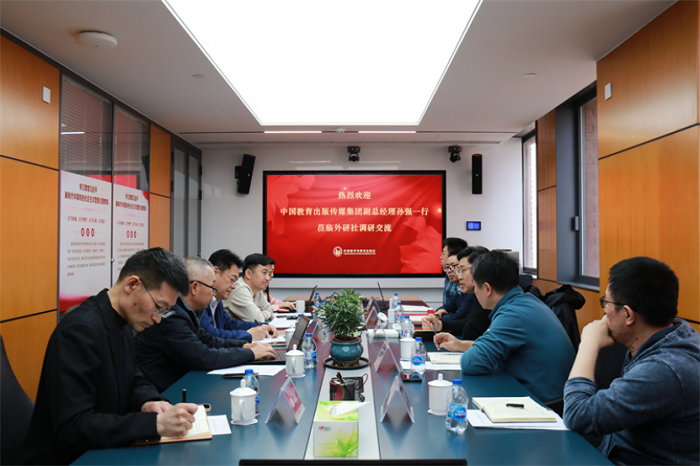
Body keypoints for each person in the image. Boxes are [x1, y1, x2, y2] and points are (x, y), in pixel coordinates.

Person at [23, 248, 199, 465]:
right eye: (159, 307)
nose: (158, 319)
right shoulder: (80, 331)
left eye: (165, 311)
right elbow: (73, 427)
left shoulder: (121, 322)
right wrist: (154, 425)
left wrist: (149, 401)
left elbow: (133, 377)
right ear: (132, 285)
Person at [563, 257, 699, 465]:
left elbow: (577, 416)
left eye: (606, 303)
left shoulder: (662, 370)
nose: (604, 311)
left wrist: (588, 344)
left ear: (628, 314)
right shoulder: (674, 334)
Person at [436, 250, 574, 402]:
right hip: (546, 393)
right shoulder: (524, 301)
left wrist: (470, 348)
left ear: (487, 289)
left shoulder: (513, 314)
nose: (474, 292)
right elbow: (489, 347)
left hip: (542, 403)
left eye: (475, 286)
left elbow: (471, 362)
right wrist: (460, 345)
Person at [135, 257, 276, 392]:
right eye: (212, 287)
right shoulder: (172, 316)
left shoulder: (187, 310)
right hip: (163, 394)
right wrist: (250, 353)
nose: (214, 293)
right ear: (195, 287)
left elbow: (207, 339)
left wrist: (244, 345)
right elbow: (203, 357)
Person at [198, 249, 277, 342]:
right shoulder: (201, 301)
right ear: (215, 272)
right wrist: (248, 335)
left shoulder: (217, 301)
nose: (234, 286)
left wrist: (261, 325)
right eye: (232, 279)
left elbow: (230, 324)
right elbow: (211, 336)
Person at [424, 246, 491, 341]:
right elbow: (467, 323)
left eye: (462, 270)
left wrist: (441, 323)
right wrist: (440, 324)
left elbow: (470, 331)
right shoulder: (475, 294)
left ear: (479, 271)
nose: (459, 277)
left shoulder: (487, 298)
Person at [223, 253, 277, 322]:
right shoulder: (239, 290)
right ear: (248, 273)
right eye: (264, 273)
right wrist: (262, 316)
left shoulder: (257, 288)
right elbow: (257, 320)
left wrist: (262, 315)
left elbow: (269, 309)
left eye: (269, 274)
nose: (268, 278)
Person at [435, 237, 467, 317]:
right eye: (448, 267)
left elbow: (459, 315)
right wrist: (438, 314)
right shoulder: (450, 276)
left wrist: (439, 318)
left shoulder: (468, 289)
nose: (441, 257)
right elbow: (448, 306)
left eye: (443, 254)